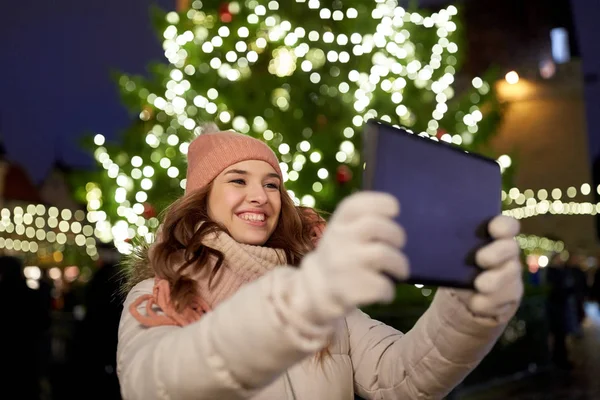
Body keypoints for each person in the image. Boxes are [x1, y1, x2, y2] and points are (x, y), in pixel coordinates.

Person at [117, 124, 523, 399]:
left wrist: (469, 305)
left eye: (272, 184)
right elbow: (153, 383)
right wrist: (293, 308)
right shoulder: (161, 293)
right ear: (202, 198)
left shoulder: (320, 292)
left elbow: (398, 377)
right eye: (237, 180)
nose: (260, 196)